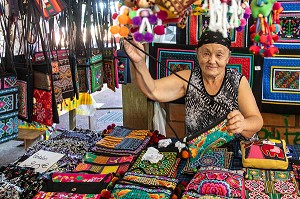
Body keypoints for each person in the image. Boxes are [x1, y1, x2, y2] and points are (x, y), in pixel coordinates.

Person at [123, 30, 263, 140]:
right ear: (197, 54)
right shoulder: (188, 78)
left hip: (235, 153)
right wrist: (139, 62)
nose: (212, 61)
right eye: (206, 54)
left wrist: (243, 124)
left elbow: (257, 120)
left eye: (219, 55)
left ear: (228, 58)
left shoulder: (237, 81)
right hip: (198, 154)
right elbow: (153, 90)